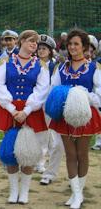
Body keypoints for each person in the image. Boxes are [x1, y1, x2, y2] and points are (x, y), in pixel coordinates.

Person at [0, 30, 49, 204]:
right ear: (22, 41)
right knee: (10, 151)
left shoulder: (41, 65)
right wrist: (12, 109)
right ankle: (13, 190)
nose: (34, 44)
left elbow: (42, 89)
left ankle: (24, 192)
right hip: (9, 110)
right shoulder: (6, 61)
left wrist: (27, 110)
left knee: (28, 152)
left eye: (36, 42)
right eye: (31, 41)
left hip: (31, 111)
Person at [49, 28, 101, 209]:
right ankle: (76, 193)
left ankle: (78, 193)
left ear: (85, 47)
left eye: (76, 44)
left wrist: (81, 95)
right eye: (70, 44)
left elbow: (99, 94)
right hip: (65, 116)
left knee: (82, 154)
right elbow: (53, 91)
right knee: (70, 154)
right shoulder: (61, 68)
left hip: (86, 115)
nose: (72, 47)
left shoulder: (95, 67)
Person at [36, 35, 64, 185]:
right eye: (39, 48)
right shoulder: (34, 64)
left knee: (47, 133)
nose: (41, 51)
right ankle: (38, 160)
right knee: (40, 133)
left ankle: (41, 163)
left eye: (44, 49)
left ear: (50, 51)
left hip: (49, 104)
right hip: (36, 103)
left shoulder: (55, 67)